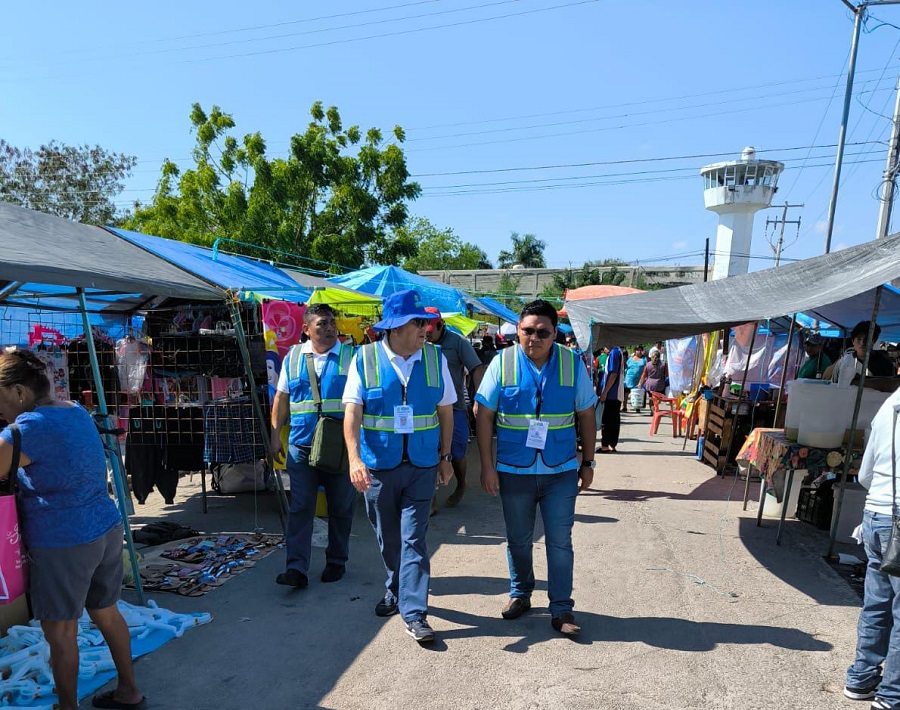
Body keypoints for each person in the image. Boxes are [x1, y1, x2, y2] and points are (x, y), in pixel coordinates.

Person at [0, 350, 143, 710]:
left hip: (63, 541)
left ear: (18, 392)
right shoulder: (75, 410)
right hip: (105, 529)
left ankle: (67, 708)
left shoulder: (23, 431)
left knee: (61, 632)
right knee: (108, 613)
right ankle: (129, 690)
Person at [475, 299, 597, 637]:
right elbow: (482, 413)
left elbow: (587, 414)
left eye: (543, 332)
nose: (535, 338)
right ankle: (521, 593)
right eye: (528, 331)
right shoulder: (503, 362)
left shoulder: (572, 363)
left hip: (560, 470)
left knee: (560, 542)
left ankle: (561, 609)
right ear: (518, 331)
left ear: (554, 334)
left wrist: (588, 462)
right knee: (518, 540)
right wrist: (486, 466)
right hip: (514, 469)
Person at [342, 290, 455, 645]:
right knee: (388, 537)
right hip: (378, 468)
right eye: (417, 322)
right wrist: (354, 459)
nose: (426, 328)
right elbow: (352, 412)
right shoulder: (364, 358)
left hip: (422, 466)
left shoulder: (436, 359)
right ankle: (395, 586)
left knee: (414, 539)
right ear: (394, 327)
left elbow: (446, 410)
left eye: (426, 322)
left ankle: (415, 612)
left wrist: (446, 457)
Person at [270, 303, 357, 588]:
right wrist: (274, 436)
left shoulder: (349, 355)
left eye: (332, 322)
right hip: (301, 444)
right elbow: (281, 399)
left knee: (340, 507)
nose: (330, 328)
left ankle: (336, 562)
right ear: (306, 329)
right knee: (301, 507)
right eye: (322, 323)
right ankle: (296, 568)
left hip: (339, 446)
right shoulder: (293, 357)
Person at [844, 385, 900, 708]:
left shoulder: (886, 407)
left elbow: (864, 474)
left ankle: (861, 679)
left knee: (876, 603)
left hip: (874, 513)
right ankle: (892, 695)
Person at [424, 307, 485, 508]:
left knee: (456, 452)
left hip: (454, 407)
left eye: (431, 330)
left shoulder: (457, 342)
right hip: (427, 409)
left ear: (442, 325)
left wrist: (478, 399)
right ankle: (430, 499)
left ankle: (461, 484)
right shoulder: (418, 342)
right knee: (430, 450)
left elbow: (476, 368)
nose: (427, 333)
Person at [825, 321, 895, 386]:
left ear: (874, 340)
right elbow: (834, 386)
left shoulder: (885, 364)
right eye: (858, 339)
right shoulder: (843, 362)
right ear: (853, 341)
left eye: (867, 339)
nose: (862, 343)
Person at [597, 345, 624, 452]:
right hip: (616, 393)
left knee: (607, 420)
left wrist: (604, 392)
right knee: (614, 420)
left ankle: (605, 445)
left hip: (612, 393)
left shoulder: (614, 353)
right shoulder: (618, 352)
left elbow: (613, 374)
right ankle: (612, 444)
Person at [622, 345, 647, 413]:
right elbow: (625, 366)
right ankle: (624, 407)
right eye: (637, 350)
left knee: (637, 394)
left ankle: (637, 407)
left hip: (638, 379)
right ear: (635, 351)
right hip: (629, 378)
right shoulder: (630, 359)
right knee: (626, 393)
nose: (639, 351)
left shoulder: (644, 359)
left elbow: (645, 369)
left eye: (640, 350)